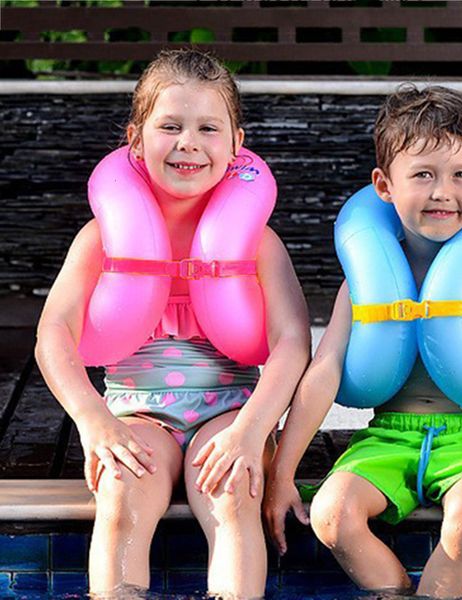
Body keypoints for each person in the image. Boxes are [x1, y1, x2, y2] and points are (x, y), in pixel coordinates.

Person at [263, 85, 462, 599]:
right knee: (332, 515)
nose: (442, 192)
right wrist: (282, 475)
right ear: (384, 186)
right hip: (389, 438)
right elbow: (324, 372)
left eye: (460, 176)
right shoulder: (364, 280)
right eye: (423, 175)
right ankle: (395, 592)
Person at [35, 48, 310, 598]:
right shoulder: (103, 239)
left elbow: (292, 343)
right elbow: (53, 334)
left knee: (234, 492)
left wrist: (252, 430)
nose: (189, 142)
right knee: (120, 490)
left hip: (229, 413)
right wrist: (92, 420)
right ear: (135, 139)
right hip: (139, 416)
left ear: (236, 143)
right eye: (170, 126)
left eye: (209, 127)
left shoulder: (257, 243)